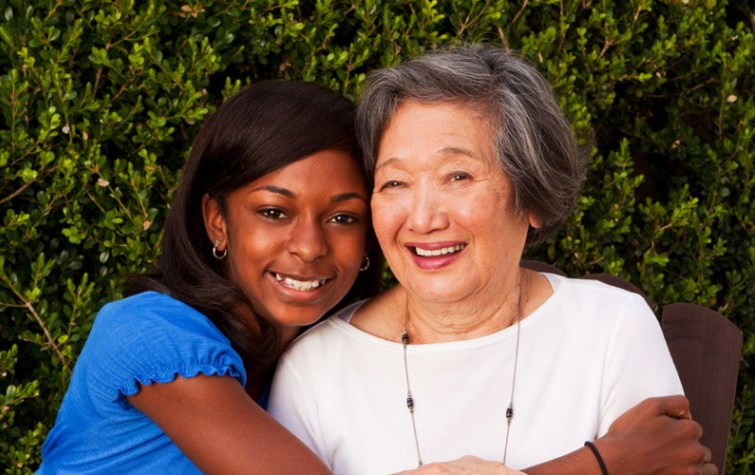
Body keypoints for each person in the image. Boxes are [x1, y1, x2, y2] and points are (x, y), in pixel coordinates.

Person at [268, 45, 717, 475]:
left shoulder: (609, 328)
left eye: (457, 176)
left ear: (532, 195)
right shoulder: (317, 372)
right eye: (395, 183)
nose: (422, 218)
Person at [38, 80, 381, 474]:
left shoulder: (321, 360)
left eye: (343, 218)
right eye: (274, 212)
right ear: (217, 221)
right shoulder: (148, 335)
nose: (309, 246)